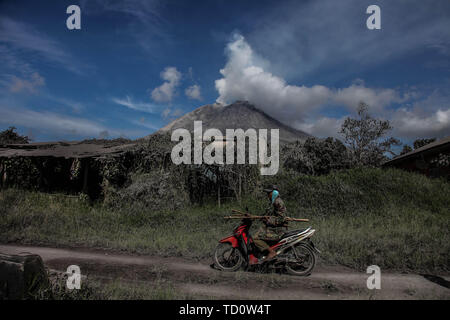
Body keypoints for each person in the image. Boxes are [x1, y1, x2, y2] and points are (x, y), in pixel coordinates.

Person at [253, 185, 287, 262]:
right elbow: (270, 214)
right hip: (273, 228)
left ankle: (271, 252)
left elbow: (281, 218)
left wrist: (268, 220)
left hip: (276, 230)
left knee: (255, 238)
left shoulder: (277, 202)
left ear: (274, 193)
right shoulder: (274, 201)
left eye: (269, 193)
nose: (268, 195)